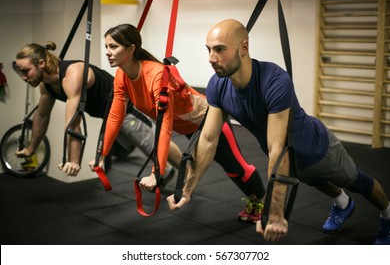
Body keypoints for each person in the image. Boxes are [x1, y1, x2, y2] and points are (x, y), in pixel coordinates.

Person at [167, 19, 390, 245]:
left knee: (358, 182)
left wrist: (275, 214)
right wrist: (186, 189)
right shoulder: (218, 84)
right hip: (289, 160)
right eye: (209, 50)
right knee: (319, 182)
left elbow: (278, 147)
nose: (211, 58)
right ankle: (344, 204)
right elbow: (208, 139)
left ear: (244, 48)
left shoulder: (274, 80)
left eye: (220, 49)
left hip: (319, 150)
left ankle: (388, 217)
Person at [95, 23, 266, 222]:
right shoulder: (122, 76)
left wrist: (155, 172)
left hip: (208, 120)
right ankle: (254, 200)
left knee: (234, 165)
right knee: (213, 165)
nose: (107, 52)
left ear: (131, 48)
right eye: (106, 46)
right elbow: (116, 116)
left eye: (113, 47)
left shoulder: (156, 75)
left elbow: (164, 127)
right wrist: (102, 154)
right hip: (188, 128)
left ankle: (261, 200)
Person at [13, 41, 181, 186]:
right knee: (144, 146)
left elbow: (73, 122)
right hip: (108, 116)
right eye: (20, 71)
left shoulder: (72, 74)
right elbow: (42, 117)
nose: (23, 77)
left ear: (41, 63)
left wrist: (73, 160)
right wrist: (31, 148)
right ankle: (166, 170)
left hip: (126, 107)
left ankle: (189, 169)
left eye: (25, 71)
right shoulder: (47, 86)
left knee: (156, 145)